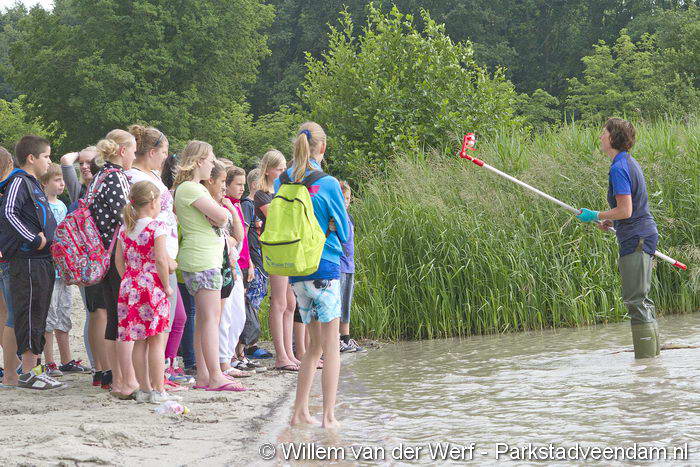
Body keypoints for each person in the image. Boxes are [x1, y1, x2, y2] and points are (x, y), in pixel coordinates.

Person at [279, 122, 349, 428]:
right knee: (331, 347)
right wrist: (332, 224)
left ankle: (300, 412)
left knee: (314, 346)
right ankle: (329, 417)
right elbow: (344, 230)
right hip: (324, 267)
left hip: (297, 271)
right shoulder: (328, 182)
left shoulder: (283, 179)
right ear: (322, 147)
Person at [576, 117, 660, 359]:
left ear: (613, 137)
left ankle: (646, 362)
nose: (600, 136)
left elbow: (626, 210)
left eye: (604, 132)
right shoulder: (626, 162)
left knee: (636, 301)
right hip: (639, 234)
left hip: (636, 238)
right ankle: (652, 361)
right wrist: (611, 221)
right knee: (640, 300)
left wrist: (595, 214)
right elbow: (628, 210)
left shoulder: (619, 168)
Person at [174, 141, 244, 392]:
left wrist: (216, 214)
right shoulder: (190, 188)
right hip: (202, 259)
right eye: (210, 160)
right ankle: (215, 375)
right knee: (211, 319)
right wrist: (218, 214)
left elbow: (218, 215)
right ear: (198, 161)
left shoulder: (193, 189)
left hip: (203, 258)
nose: (213, 165)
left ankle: (205, 374)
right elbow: (222, 216)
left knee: (205, 320)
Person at [125, 125, 187, 389]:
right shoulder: (137, 178)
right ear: (151, 152)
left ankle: (152, 381)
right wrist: (164, 266)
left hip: (145, 271)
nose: (166, 157)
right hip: (156, 268)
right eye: (164, 152)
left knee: (154, 330)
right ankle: (156, 382)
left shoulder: (151, 176)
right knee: (157, 332)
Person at [1, 135, 60, 389]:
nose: (49, 161)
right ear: (31, 158)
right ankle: (26, 373)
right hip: (26, 259)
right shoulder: (19, 181)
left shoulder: (34, 183)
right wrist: (34, 239)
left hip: (42, 260)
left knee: (39, 314)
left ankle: (34, 369)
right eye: (46, 156)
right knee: (27, 314)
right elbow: (8, 212)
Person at [115, 180, 180, 403]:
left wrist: (129, 277)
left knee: (139, 340)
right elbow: (161, 260)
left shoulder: (125, 228)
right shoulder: (157, 227)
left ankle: (143, 389)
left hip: (131, 286)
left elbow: (119, 261)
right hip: (152, 287)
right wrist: (167, 285)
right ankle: (158, 389)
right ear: (152, 202)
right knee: (157, 341)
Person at [90, 130, 138, 394]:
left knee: (113, 317)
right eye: (133, 151)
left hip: (102, 256)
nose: (134, 156)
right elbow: (127, 218)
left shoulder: (98, 177)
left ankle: (115, 378)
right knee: (125, 318)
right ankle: (125, 380)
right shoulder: (116, 177)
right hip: (117, 256)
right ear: (122, 151)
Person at [40, 163, 90, 376]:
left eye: (62, 180)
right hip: (49, 268)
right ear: (45, 182)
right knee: (49, 315)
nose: (62, 184)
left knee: (64, 313)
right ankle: (49, 361)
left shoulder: (62, 205)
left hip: (64, 270)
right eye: (57, 180)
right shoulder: (41, 206)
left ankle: (66, 359)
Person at [202, 162, 249, 381]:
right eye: (223, 182)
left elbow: (239, 235)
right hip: (219, 262)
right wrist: (228, 241)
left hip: (232, 263)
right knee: (222, 316)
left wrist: (230, 209)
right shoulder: (207, 203)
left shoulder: (228, 205)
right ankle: (222, 362)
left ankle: (227, 357)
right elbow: (221, 235)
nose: (224, 188)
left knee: (238, 315)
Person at [61, 147, 103, 381]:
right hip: (87, 262)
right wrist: (83, 154)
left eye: (90, 163)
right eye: (82, 164)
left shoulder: (106, 186)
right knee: (92, 313)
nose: (85, 167)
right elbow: (66, 161)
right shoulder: (80, 191)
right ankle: (97, 365)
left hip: (105, 259)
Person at [255, 149, 298, 370]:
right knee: (279, 302)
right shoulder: (262, 194)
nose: (282, 173)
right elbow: (278, 217)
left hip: (287, 248)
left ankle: (289, 353)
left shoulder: (281, 191)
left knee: (291, 303)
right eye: (279, 169)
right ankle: (281, 355)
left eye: (284, 169)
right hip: (275, 249)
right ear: (268, 170)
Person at [241, 168, 272, 361]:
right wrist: (249, 262)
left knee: (257, 301)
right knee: (251, 302)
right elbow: (243, 236)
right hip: (253, 258)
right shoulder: (248, 205)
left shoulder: (259, 205)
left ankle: (251, 342)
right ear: (254, 184)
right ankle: (247, 345)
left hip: (262, 259)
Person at [0, 146, 20, 387]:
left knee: (4, 313)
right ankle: (11, 369)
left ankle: (11, 366)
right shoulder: (7, 192)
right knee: (9, 314)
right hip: (6, 257)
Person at [338, 181, 363, 353]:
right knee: (337, 304)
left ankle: (345, 338)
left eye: (347, 198)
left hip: (349, 265)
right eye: (342, 198)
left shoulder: (350, 218)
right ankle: (335, 339)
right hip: (338, 265)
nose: (345, 202)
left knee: (346, 303)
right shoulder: (335, 217)